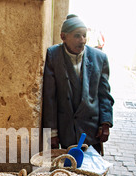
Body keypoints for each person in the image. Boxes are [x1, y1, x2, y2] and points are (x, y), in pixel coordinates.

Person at [42, 14, 114, 155]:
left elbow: (104, 95)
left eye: (84, 35)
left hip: (92, 130)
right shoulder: (53, 55)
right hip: (65, 130)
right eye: (77, 36)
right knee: (66, 171)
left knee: (91, 171)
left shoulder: (99, 58)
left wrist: (105, 123)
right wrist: (52, 133)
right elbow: (50, 97)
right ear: (63, 37)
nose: (82, 41)